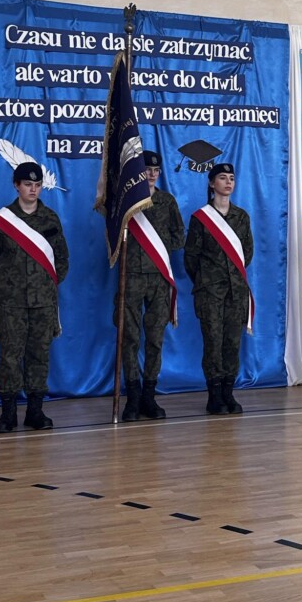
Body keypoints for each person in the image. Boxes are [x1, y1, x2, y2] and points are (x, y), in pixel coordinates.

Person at [0, 161, 69, 433]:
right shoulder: (2, 221)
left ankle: (35, 411)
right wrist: (8, 285)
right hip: (11, 304)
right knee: (10, 356)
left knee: (39, 355)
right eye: (28, 184)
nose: (33, 189)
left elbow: (62, 260)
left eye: (38, 185)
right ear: (16, 185)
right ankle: (8, 414)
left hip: (43, 302)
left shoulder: (51, 219)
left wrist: (45, 285)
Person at [116, 149, 185, 421]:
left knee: (155, 338)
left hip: (159, 278)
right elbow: (112, 236)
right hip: (131, 276)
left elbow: (179, 236)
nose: (152, 174)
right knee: (130, 338)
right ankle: (132, 397)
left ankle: (148, 396)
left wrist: (159, 249)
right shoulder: (127, 201)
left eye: (156, 170)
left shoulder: (167, 201)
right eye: (147, 169)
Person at [184, 162, 253, 415]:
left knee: (232, 343)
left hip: (236, 290)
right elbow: (191, 258)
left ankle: (228, 393)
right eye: (222, 178)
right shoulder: (200, 218)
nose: (228, 182)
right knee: (213, 342)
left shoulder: (241, 217)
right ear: (212, 183)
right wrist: (208, 280)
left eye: (231, 178)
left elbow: (247, 253)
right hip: (209, 291)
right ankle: (214, 396)